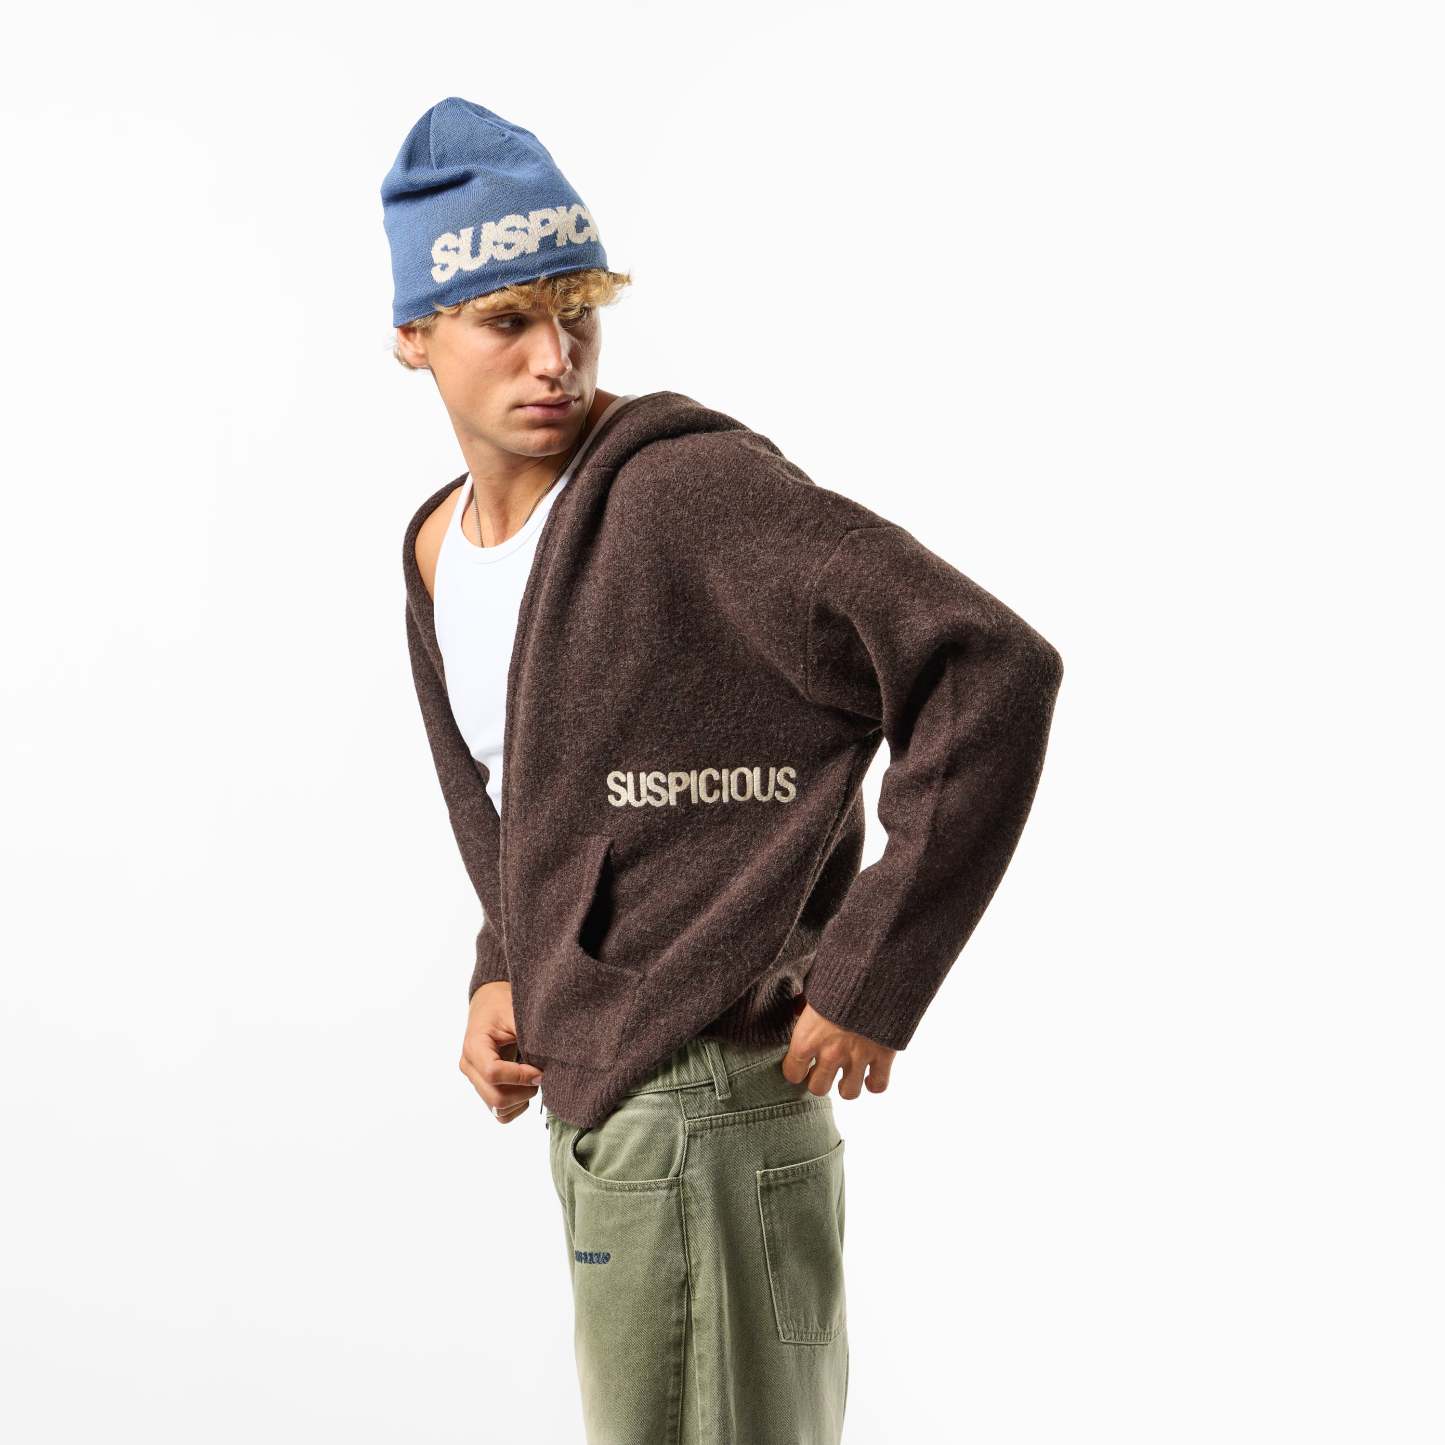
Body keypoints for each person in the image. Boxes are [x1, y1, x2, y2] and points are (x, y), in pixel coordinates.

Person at [383, 96, 1064, 1445]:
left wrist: (873, 968)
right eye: (506, 321)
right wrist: (506, 961)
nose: (553, 358)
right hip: (603, 1105)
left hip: (708, 1090)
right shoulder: (437, 549)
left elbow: (986, 666)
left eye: (576, 315)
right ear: (414, 333)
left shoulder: (683, 495)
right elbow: (537, 796)